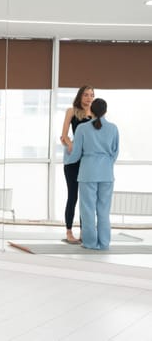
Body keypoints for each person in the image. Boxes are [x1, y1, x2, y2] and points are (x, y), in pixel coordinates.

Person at [64, 98, 119, 250]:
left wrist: (67, 160)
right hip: (106, 174)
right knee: (103, 210)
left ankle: (90, 242)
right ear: (105, 111)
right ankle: (104, 243)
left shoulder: (82, 128)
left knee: (87, 209)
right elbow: (115, 153)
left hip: (87, 172)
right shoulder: (113, 128)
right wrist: (106, 164)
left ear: (91, 111)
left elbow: (76, 154)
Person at [60, 85, 94, 243]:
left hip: (88, 160)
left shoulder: (94, 115)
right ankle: (68, 232)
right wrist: (70, 144)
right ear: (80, 96)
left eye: (91, 95)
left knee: (86, 198)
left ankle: (83, 231)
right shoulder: (72, 111)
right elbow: (64, 136)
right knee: (73, 195)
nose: (89, 98)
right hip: (73, 160)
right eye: (86, 95)